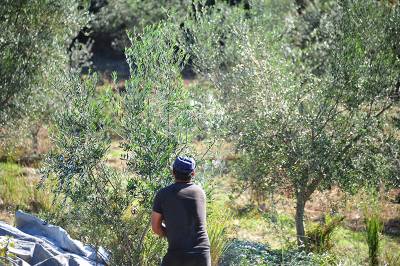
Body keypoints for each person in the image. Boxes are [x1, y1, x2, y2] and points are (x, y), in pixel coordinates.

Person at [151, 156, 211, 266]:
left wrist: (170, 233)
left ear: (173, 172)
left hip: (177, 254)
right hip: (201, 254)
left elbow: (156, 227)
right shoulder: (200, 193)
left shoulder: (163, 194)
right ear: (193, 173)